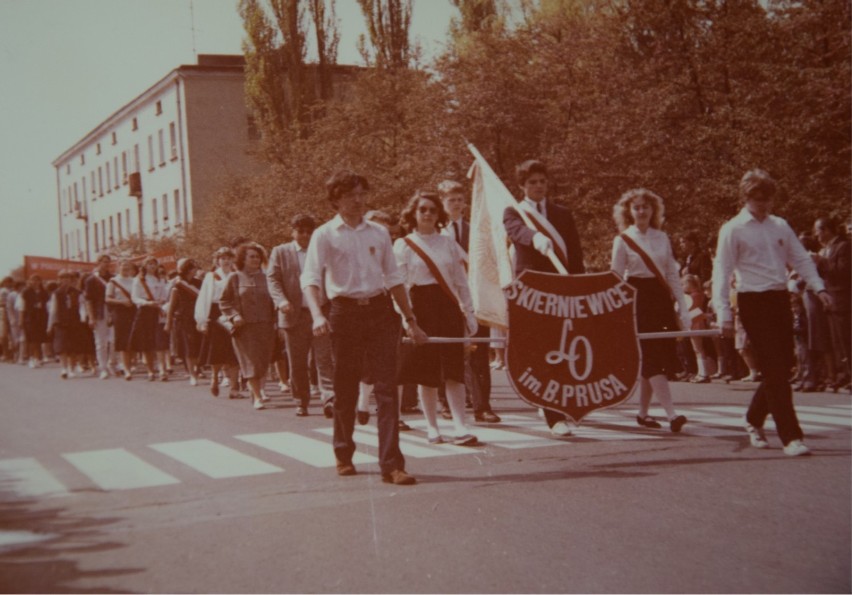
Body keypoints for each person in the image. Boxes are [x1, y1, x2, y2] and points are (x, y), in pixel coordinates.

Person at [301, 170, 426, 486]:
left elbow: (394, 278)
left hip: (380, 311)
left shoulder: (379, 233)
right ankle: (343, 453)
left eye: (361, 194)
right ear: (336, 200)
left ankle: (392, 464)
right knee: (346, 387)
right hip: (344, 313)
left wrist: (411, 320)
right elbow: (311, 279)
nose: (358, 201)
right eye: (351, 195)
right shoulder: (325, 235)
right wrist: (318, 315)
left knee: (387, 388)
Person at [712, 169, 832, 457]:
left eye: (767, 198)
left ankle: (753, 419)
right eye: (756, 198)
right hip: (752, 299)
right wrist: (724, 313)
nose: (762, 204)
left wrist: (818, 287)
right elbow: (722, 271)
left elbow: (800, 258)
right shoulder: (733, 229)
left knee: (782, 367)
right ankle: (791, 437)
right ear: (746, 197)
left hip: (779, 298)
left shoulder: (780, 225)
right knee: (774, 369)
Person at [503, 159, 584, 436]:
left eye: (542, 181)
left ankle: (553, 404)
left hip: (560, 288)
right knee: (542, 350)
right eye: (532, 182)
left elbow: (575, 254)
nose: (538, 186)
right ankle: (553, 415)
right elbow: (516, 232)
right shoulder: (515, 212)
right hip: (533, 291)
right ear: (523, 186)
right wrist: (535, 237)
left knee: (561, 348)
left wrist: (579, 287)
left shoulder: (562, 214)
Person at [394, 190, 479, 446]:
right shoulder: (403, 244)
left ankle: (460, 425)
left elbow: (460, 281)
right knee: (426, 371)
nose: (428, 214)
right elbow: (399, 286)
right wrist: (407, 320)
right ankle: (432, 427)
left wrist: (469, 311)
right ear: (414, 214)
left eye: (432, 210)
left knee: (454, 368)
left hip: (448, 307)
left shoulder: (448, 243)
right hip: (420, 308)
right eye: (423, 210)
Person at [611, 188, 690, 433]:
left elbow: (672, 275)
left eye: (646, 206)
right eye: (636, 207)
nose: (642, 211)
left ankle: (643, 413)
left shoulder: (662, 237)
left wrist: (682, 306)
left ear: (653, 209)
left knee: (654, 357)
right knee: (651, 355)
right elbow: (615, 278)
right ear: (629, 212)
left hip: (660, 298)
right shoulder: (622, 239)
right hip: (638, 299)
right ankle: (672, 414)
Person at [439, 180, 501, 423]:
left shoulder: (475, 230)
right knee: (450, 352)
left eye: (459, 199)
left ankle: (482, 406)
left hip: (475, 296)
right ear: (442, 202)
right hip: (448, 297)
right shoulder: (437, 232)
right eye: (451, 199)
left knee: (479, 352)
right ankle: (447, 404)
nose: (456, 204)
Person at [267, 214, 335, 417]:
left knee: (324, 358)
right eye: (300, 231)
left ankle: (328, 398)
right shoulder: (280, 252)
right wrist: (281, 301)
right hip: (294, 314)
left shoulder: (323, 250)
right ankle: (301, 400)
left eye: (309, 231)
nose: (305, 235)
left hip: (321, 312)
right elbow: (273, 279)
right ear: (292, 232)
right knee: (297, 362)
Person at [219, 242, 276, 411]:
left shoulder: (267, 278)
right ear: (243, 259)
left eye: (258, 257)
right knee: (250, 362)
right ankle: (258, 396)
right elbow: (224, 301)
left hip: (266, 326)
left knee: (263, 361)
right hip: (245, 328)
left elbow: (274, 301)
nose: (256, 259)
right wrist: (234, 315)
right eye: (251, 256)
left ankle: (258, 390)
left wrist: (277, 323)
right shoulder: (234, 277)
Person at [195, 247, 242, 399]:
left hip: (232, 313)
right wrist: (202, 320)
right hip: (216, 314)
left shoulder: (237, 275)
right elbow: (204, 297)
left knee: (234, 352)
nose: (226, 261)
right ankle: (215, 377)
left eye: (228, 258)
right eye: (222, 258)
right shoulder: (211, 276)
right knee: (217, 352)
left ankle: (234, 388)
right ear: (217, 260)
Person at [814, 216, 851, 390]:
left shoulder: (844, 246)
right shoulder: (828, 249)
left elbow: (843, 271)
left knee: (846, 338)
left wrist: (821, 262)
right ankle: (843, 373)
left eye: (819, 230)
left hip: (843, 299)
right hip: (831, 300)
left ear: (827, 230)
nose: (817, 235)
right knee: (837, 341)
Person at [129, 257, 169, 381]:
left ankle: (162, 370)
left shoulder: (160, 279)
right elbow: (135, 298)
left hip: (157, 310)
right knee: (147, 342)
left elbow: (164, 294)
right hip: (145, 311)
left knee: (160, 341)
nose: (152, 266)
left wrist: (161, 301)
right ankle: (151, 370)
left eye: (154, 264)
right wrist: (147, 303)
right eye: (149, 264)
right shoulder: (139, 280)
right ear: (144, 266)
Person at [165, 258, 203, 386]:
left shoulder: (199, 283)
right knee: (189, 347)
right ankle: (192, 374)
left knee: (198, 345)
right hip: (184, 318)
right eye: (193, 268)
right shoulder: (177, 284)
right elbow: (172, 304)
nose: (196, 270)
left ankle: (197, 369)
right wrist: (168, 322)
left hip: (198, 316)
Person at [48, 270, 85, 378]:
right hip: (60, 322)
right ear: (59, 280)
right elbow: (53, 310)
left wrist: (83, 318)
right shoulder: (56, 293)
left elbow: (82, 306)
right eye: (62, 278)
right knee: (62, 347)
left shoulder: (77, 292)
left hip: (74, 321)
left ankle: (71, 368)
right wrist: (50, 325)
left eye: (67, 278)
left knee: (73, 347)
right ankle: (63, 368)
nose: (65, 280)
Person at [106, 260, 138, 380]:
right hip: (120, 312)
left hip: (133, 310)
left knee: (132, 338)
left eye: (127, 266)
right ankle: (126, 368)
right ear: (118, 267)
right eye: (123, 266)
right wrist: (121, 302)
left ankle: (131, 364)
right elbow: (108, 298)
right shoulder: (113, 281)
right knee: (122, 340)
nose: (125, 268)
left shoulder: (134, 280)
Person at [84, 254, 114, 379]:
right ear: (98, 263)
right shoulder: (91, 280)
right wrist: (91, 317)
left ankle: (111, 363)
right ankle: (103, 368)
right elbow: (88, 300)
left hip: (113, 310)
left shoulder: (113, 278)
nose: (106, 264)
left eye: (108, 262)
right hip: (99, 311)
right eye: (104, 261)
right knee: (101, 341)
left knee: (113, 340)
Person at [17, 274, 49, 369]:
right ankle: (31, 358)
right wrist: (21, 319)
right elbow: (21, 307)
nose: (35, 282)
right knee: (31, 339)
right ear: (29, 281)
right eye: (33, 280)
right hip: (30, 318)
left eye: (37, 280)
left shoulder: (44, 292)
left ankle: (38, 358)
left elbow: (48, 305)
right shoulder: (25, 292)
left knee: (39, 339)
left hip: (41, 317)